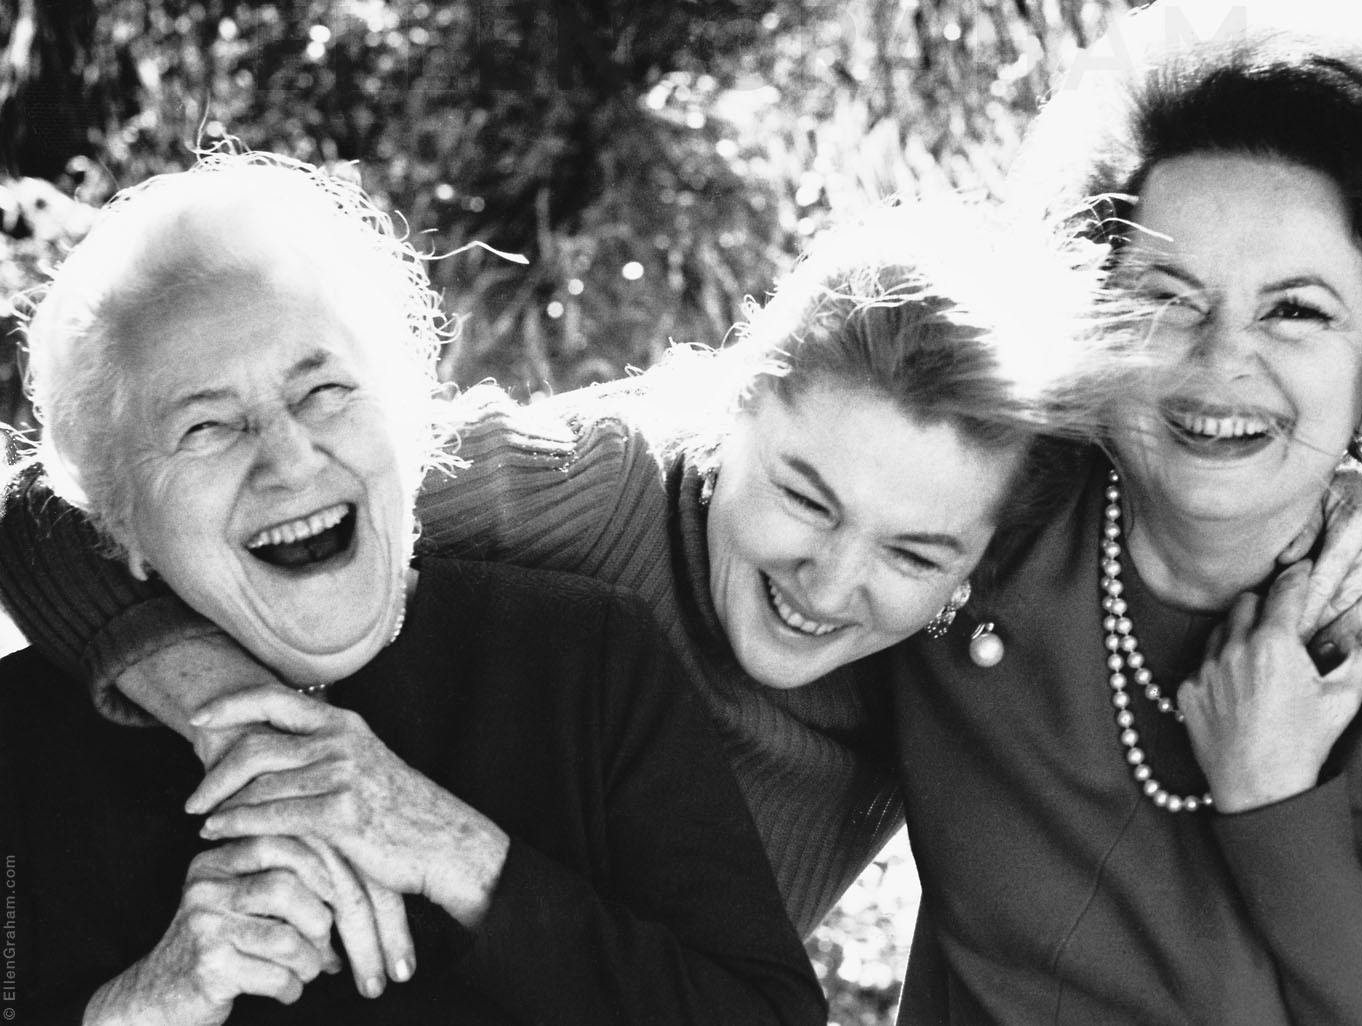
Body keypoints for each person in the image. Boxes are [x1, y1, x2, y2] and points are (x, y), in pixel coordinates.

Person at [0, 151, 829, 1025]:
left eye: (323, 390)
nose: (288, 460)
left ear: (402, 417)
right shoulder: (22, 747)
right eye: (207, 426)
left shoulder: (586, 662)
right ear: (121, 524)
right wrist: (141, 1007)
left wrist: (465, 859)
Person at [889, 1, 1362, 1022]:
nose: (1222, 360)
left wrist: (1270, 804)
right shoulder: (995, 509)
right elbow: (749, 458)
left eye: (1296, 310)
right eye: (1168, 296)